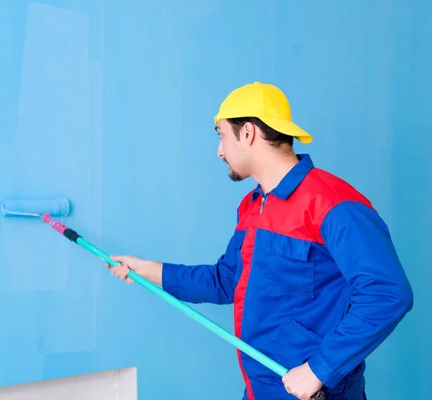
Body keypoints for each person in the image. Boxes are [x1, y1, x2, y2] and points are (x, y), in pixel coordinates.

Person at [106, 82, 414, 400]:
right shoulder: (253, 205)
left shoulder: (333, 203)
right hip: (261, 389)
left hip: (316, 391)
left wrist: (318, 370)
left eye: (221, 135)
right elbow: (227, 281)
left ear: (249, 132)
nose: (220, 150)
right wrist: (146, 270)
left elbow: (388, 293)